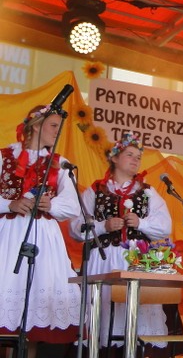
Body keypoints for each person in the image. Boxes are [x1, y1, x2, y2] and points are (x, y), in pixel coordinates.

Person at [69, 132, 172, 353]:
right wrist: (102, 226)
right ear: (114, 158)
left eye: (138, 157)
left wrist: (141, 223)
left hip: (135, 259)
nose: (135, 160)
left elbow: (165, 226)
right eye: (130, 155)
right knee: (102, 312)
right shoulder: (95, 191)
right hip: (103, 260)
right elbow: (76, 228)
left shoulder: (147, 192)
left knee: (133, 318)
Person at [0, 104, 81, 354]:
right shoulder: (5, 156)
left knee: (34, 320)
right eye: (53, 125)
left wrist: (51, 204)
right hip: (8, 236)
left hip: (44, 240)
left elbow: (73, 205)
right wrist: (9, 203)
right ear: (36, 126)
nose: (57, 132)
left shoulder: (61, 164)